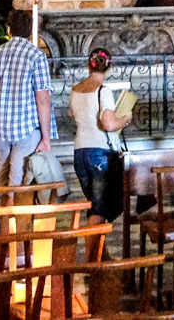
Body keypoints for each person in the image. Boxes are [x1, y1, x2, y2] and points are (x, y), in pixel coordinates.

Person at [0, 9, 56, 186]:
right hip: (26, 130)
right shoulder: (36, 56)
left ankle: (4, 212)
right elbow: (43, 99)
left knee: (2, 181)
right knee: (19, 182)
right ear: (30, 31)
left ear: (8, 29)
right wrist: (46, 138)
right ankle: (15, 211)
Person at [68, 47, 131, 224]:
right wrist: (125, 118)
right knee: (98, 211)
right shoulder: (103, 91)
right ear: (109, 68)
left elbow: (72, 115)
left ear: (89, 65)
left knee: (95, 204)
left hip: (79, 152)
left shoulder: (75, 90)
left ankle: (100, 252)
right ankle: (92, 251)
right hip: (99, 153)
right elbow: (109, 125)